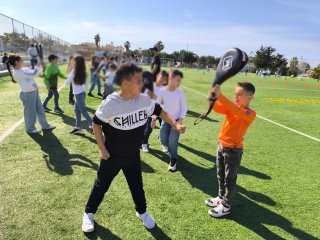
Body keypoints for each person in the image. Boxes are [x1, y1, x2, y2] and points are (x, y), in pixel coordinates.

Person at [81, 63, 186, 233]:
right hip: (112, 154)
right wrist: (101, 148)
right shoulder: (111, 103)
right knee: (101, 185)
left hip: (132, 154)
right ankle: (89, 213)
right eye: (138, 80)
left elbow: (160, 111)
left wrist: (175, 124)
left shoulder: (144, 99)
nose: (143, 84)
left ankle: (142, 212)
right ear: (125, 83)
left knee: (137, 185)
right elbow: (96, 124)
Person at [205, 82, 256, 218]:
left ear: (250, 97)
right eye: (235, 94)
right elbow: (218, 109)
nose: (236, 96)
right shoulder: (232, 108)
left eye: (240, 94)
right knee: (220, 174)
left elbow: (235, 110)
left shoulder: (249, 113)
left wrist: (220, 95)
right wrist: (212, 99)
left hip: (233, 151)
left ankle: (226, 205)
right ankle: (221, 197)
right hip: (221, 145)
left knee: (230, 179)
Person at [6, 55, 55, 133]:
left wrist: (41, 67)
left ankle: (45, 125)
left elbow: (36, 72)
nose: (23, 61)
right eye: (21, 60)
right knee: (30, 113)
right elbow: (33, 74)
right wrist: (39, 65)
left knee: (40, 110)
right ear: (16, 62)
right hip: (27, 94)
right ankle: (30, 129)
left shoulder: (22, 69)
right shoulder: (18, 72)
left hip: (34, 92)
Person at [158, 70, 187, 171]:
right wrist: (153, 119)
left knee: (173, 141)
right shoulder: (162, 91)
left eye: (180, 80)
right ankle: (171, 151)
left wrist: (179, 122)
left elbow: (184, 109)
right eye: (177, 80)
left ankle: (173, 159)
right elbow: (158, 107)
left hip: (177, 121)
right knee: (162, 139)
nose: (179, 82)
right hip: (166, 120)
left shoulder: (180, 93)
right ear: (170, 78)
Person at [141, 70, 168, 152]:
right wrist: (153, 119)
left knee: (164, 129)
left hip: (162, 111)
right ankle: (144, 144)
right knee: (148, 129)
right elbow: (153, 103)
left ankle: (163, 143)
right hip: (152, 111)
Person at [65, 56, 93, 134]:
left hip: (79, 95)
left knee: (83, 111)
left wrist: (71, 78)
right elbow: (87, 85)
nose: (72, 62)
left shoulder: (74, 71)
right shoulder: (84, 72)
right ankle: (77, 127)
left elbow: (67, 82)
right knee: (77, 110)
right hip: (81, 94)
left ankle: (93, 126)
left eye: (74, 61)